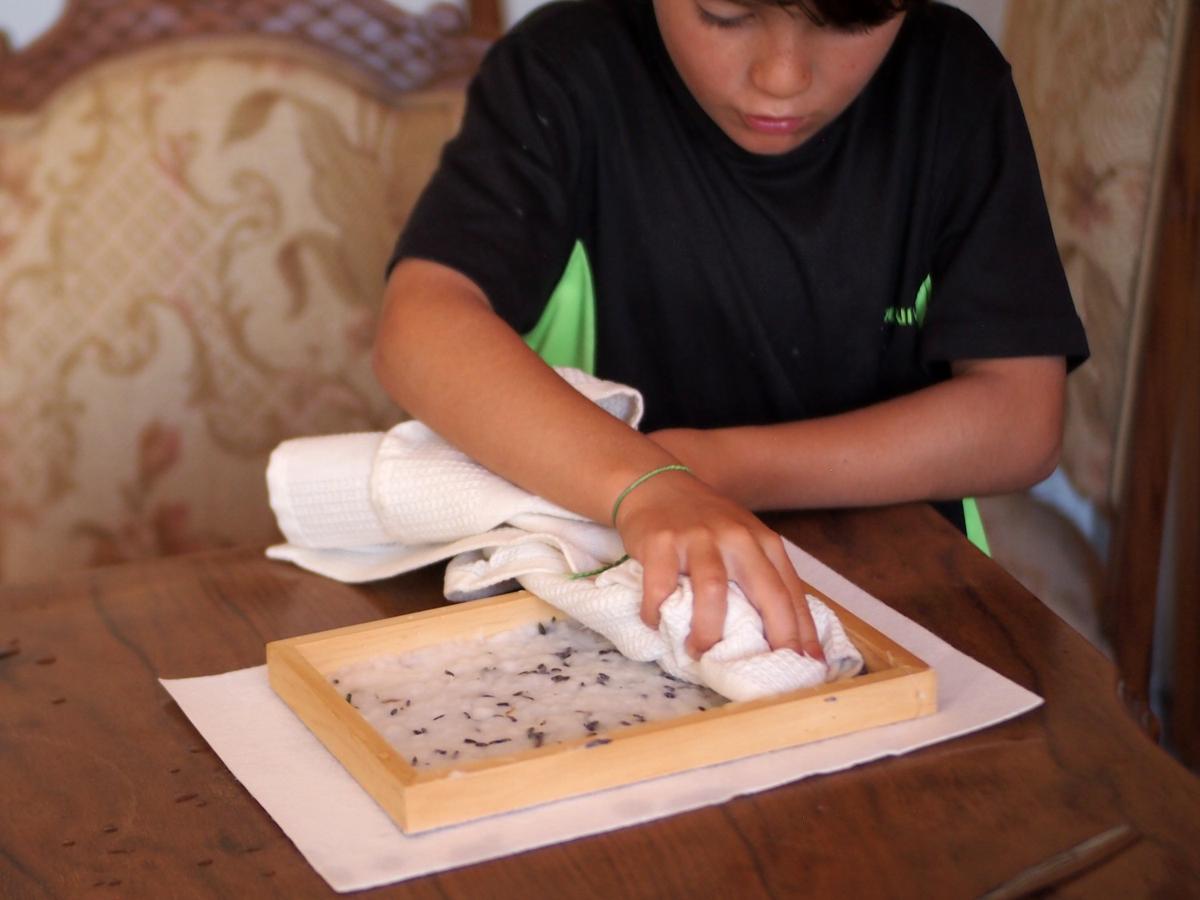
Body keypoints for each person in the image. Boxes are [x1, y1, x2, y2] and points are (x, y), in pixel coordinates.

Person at [371, 0, 1089, 664]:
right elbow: (422, 322)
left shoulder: (951, 82)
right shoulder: (565, 70)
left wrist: (707, 469)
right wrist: (644, 486)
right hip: (611, 594)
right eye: (726, 12)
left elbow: (1020, 419)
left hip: (904, 600)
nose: (782, 78)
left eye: (850, 18)